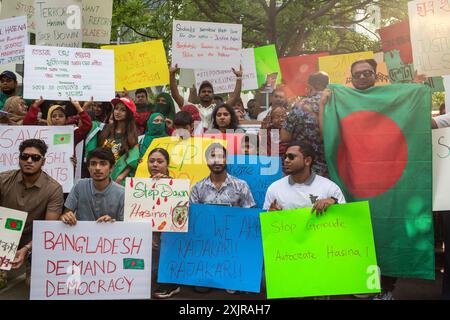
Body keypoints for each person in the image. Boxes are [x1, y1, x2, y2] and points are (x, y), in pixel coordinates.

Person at [0, 139, 64, 288]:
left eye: (35, 158)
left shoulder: (54, 189)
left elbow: (49, 229)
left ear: (43, 161)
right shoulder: (3, 180)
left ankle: (31, 263)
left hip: (33, 238)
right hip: (5, 234)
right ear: (19, 159)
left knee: (34, 285)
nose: (29, 161)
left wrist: (27, 249)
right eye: (24, 156)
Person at [263, 141, 345, 212]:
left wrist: (334, 203)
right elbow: (267, 223)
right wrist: (271, 214)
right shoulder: (274, 188)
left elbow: (344, 218)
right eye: (285, 157)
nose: (286, 160)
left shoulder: (330, 188)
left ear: (307, 161)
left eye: (291, 157)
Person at [146, 148, 182, 299]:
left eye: (160, 161)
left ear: (167, 165)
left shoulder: (176, 187)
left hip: (170, 237)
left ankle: (171, 283)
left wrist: (165, 184)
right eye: (151, 161)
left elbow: (181, 218)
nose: (154, 164)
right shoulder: (140, 185)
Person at [281, 72, 330, 176]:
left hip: (303, 168)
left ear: (309, 86)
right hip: (330, 167)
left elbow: (284, 137)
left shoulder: (300, 105)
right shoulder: (335, 103)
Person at [60, 147, 124, 225]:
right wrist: (66, 217)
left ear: (111, 168)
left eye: (103, 164)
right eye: (93, 164)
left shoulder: (122, 193)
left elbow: (125, 226)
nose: (97, 168)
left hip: (110, 236)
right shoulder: (79, 186)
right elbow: (64, 215)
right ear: (88, 167)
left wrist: (111, 223)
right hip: (81, 236)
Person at [170, 64, 243, 130]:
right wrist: (172, 75)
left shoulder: (218, 109)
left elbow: (234, 98)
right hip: (195, 142)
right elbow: (175, 96)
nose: (206, 93)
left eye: (209, 91)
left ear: (213, 95)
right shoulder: (191, 107)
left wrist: (239, 77)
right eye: (203, 91)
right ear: (198, 95)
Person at [190, 143, 256, 208]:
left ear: (226, 160)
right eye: (212, 156)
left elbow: (250, 215)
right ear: (207, 161)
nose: (217, 160)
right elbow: (192, 215)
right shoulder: (197, 189)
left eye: (221, 156)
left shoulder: (241, 186)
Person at [98, 97, 139, 186]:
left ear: (129, 114)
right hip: (102, 175)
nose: (117, 112)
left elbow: (133, 160)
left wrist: (120, 177)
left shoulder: (132, 135)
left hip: (120, 180)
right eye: (116, 108)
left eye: (122, 110)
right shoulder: (106, 129)